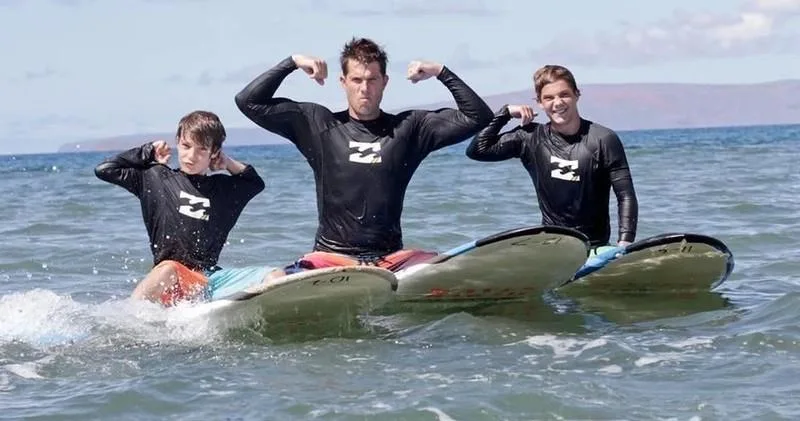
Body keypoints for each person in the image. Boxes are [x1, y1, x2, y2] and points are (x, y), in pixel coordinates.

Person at [234, 37, 493, 274]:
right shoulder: (318, 126)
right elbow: (249, 101)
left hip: (390, 260)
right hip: (330, 257)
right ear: (343, 82)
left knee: (449, 269)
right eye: (357, 80)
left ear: (385, 82)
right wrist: (293, 62)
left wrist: (440, 71)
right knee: (276, 278)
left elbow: (478, 116)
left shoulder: (409, 128)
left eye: (372, 80)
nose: (364, 89)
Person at [94, 110, 269, 306]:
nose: (191, 156)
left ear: (214, 152)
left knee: (274, 276)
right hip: (172, 280)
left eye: (202, 150)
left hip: (211, 280)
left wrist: (227, 163)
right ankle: (128, 320)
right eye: (186, 146)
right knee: (169, 269)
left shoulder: (224, 190)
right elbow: (105, 169)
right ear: (177, 141)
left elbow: (255, 183)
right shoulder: (156, 177)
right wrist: (147, 151)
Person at [465, 64, 638, 252]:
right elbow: (477, 150)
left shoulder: (603, 139)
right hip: (552, 247)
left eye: (564, 95)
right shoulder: (530, 138)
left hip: (596, 248)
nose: (557, 103)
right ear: (539, 102)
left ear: (576, 95)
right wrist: (505, 113)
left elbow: (625, 195)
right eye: (549, 98)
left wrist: (624, 245)